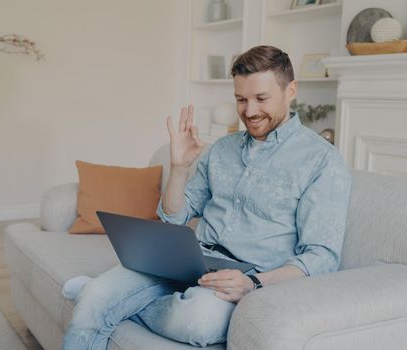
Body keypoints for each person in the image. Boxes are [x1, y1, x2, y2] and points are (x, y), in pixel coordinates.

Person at [62, 45, 352, 349]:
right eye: (241, 99)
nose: (250, 111)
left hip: (244, 274)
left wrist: (253, 283)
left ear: (291, 90)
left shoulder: (322, 161)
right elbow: (174, 216)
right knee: (97, 298)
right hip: (188, 256)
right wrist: (178, 168)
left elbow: (321, 257)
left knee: (199, 322)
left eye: (261, 98)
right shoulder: (222, 149)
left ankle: (103, 298)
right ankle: (98, 296)